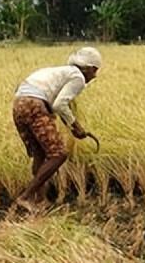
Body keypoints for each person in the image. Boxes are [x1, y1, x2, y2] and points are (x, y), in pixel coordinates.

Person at [11, 47, 102, 211]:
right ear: (88, 68)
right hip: (34, 104)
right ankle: (25, 197)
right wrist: (76, 126)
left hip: (19, 104)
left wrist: (71, 124)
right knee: (58, 154)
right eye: (94, 71)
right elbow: (59, 104)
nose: (94, 76)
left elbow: (48, 99)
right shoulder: (77, 77)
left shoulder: (59, 71)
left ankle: (39, 200)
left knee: (40, 153)